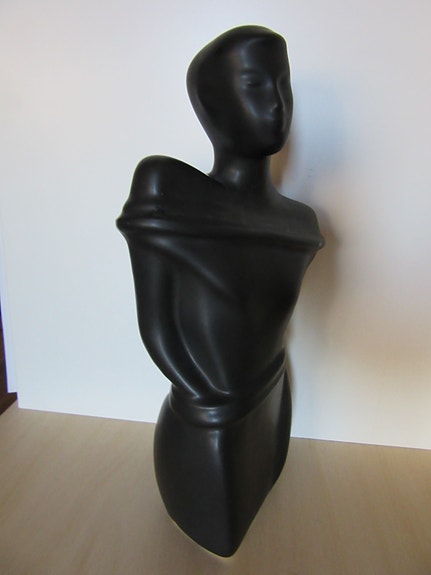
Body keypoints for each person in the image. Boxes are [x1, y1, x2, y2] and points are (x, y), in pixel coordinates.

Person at [117, 25, 324, 556]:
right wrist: (207, 402)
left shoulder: (300, 221)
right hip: (205, 426)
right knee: (222, 537)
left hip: (273, 403)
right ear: (212, 104)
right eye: (255, 84)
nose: (277, 102)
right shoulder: (167, 188)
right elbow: (156, 324)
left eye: (284, 84)